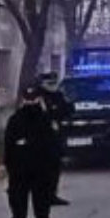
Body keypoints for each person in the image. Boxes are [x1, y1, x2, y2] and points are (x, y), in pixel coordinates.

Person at [2, 85, 60, 218]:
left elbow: (53, 152)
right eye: (28, 100)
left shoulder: (45, 121)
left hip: (40, 176)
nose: (30, 103)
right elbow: (8, 151)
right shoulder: (16, 120)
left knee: (41, 216)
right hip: (20, 177)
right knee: (19, 217)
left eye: (33, 99)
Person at [38, 72, 72, 207]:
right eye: (49, 83)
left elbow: (67, 110)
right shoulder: (37, 97)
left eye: (54, 83)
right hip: (40, 137)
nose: (52, 86)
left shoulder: (58, 95)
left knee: (55, 167)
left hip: (55, 136)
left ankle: (52, 195)